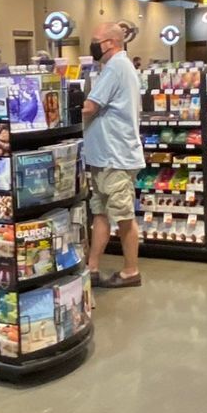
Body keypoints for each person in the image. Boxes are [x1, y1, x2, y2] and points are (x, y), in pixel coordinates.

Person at [79, 20, 145, 289]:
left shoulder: (116, 66)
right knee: (101, 214)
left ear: (110, 43)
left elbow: (90, 106)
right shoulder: (118, 66)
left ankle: (131, 271)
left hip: (115, 155)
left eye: (96, 40)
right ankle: (92, 267)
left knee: (123, 216)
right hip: (105, 156)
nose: (93, 45)